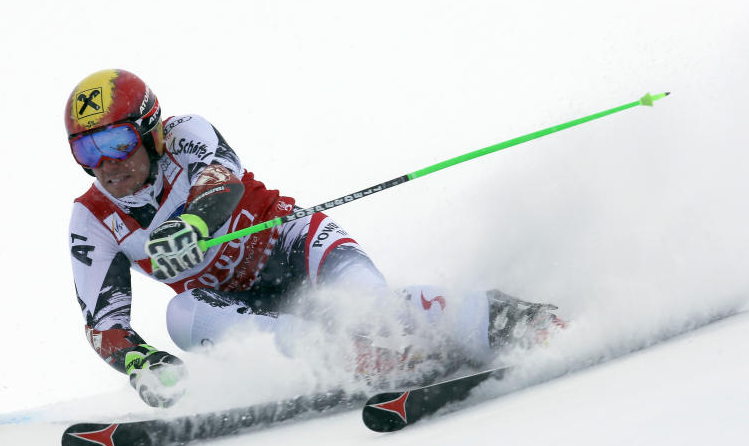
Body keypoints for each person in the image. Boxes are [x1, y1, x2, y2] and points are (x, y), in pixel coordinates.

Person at [66, 69, 564, 408]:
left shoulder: (184, 134)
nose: (105, 163)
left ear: (150, 130)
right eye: (85, 150)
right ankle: (349, 359)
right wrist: (141, 362)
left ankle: (512, 321)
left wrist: (194, 225)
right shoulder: (92, 219)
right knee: (181, 314)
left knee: (372, 310)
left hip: (294, 246)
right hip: (239, 308)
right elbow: (102, 323)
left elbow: (222, 179)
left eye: (116, 141)